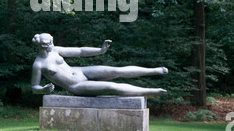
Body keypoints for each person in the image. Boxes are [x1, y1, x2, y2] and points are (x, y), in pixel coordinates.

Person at [31, 33, 168, 97]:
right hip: (75, 85)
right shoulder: (38, 64)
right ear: (42, 46)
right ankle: (151, 92)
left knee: (116, 71)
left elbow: (80, 51)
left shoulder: (55, 50)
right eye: (49, 44)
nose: (52, 45)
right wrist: (43, 89)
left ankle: (153, 70)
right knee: (111, 86)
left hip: (81, 71)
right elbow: (34, 87)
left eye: (52, 42)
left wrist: (100, 50)